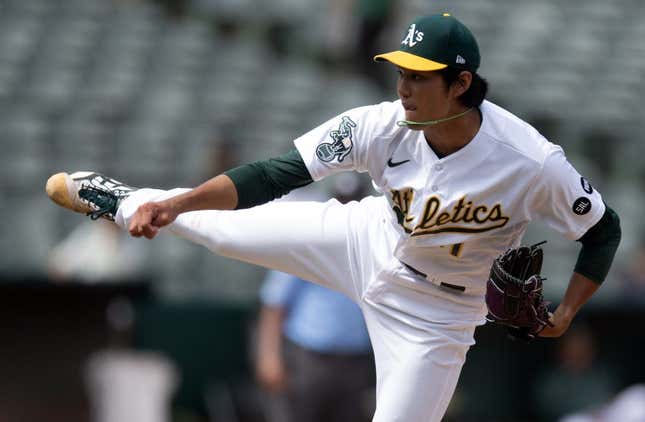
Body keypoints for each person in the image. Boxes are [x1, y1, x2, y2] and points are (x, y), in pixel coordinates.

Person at [45, 13, 622, 422]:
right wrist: (175, 205)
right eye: (400, 72)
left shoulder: (530, 161)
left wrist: (568, 309)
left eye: (419, 76)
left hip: (438, 316)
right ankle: (121, 199)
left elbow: (603, 230)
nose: (403, 88)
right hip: (364, 239)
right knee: (221, 229)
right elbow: (276, 173)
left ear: (461, 83)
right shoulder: (381, 122)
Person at [256, 270, 374, 422]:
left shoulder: (368, 251)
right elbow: (274, 303)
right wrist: (269, 357)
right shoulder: (301, 247)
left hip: (356, 360)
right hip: (309, 358)